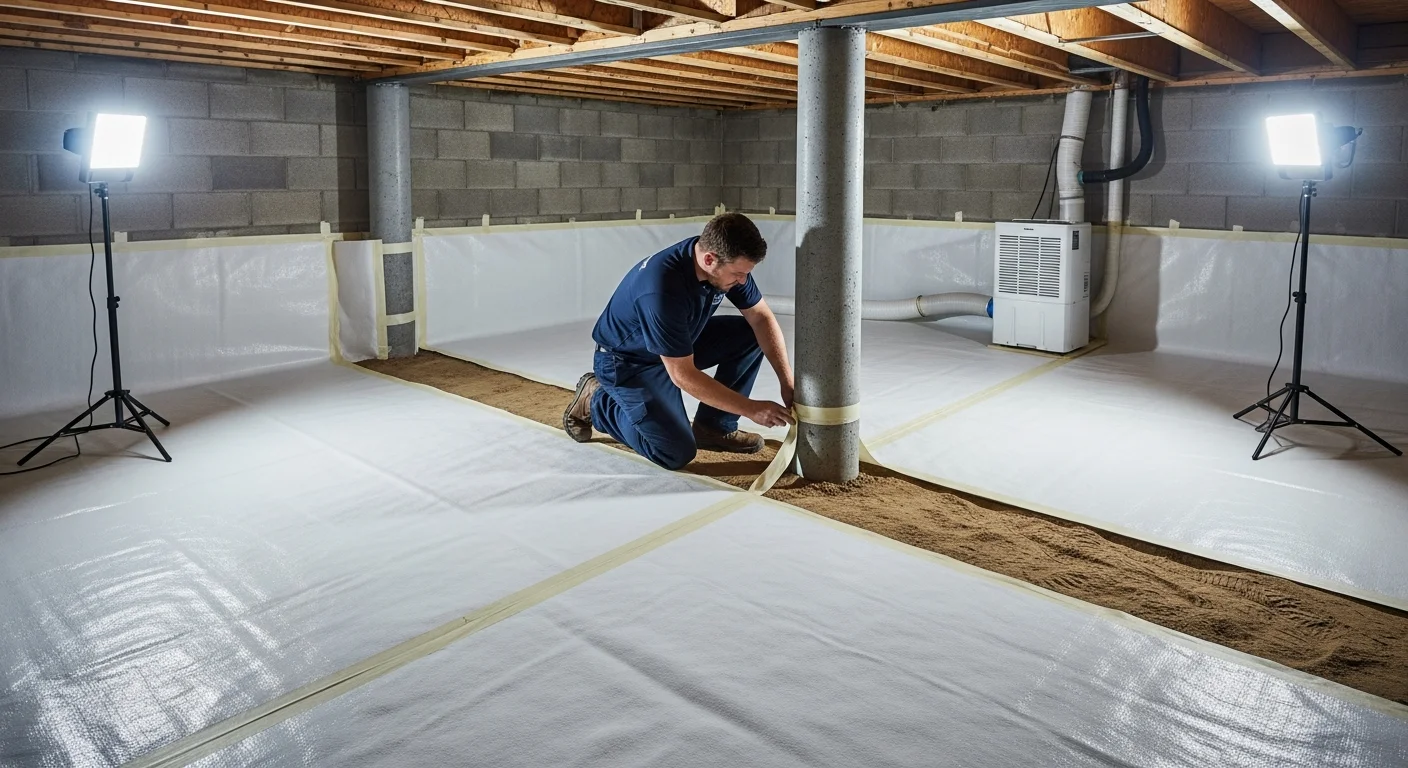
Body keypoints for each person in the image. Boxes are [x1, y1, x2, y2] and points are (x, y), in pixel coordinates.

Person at [562, 212, 795, 470]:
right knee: (675, 452)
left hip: (677, 343)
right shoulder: (662, 289)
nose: (743, 281)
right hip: (627, 362)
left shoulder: (719, 258)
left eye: (745, 274)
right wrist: (751, 408)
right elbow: (683, 375)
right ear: (709, 260)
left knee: (749, 335)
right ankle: (596, 402)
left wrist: (787, 381)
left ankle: (714, 427)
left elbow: (761, 318)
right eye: (738, 274)